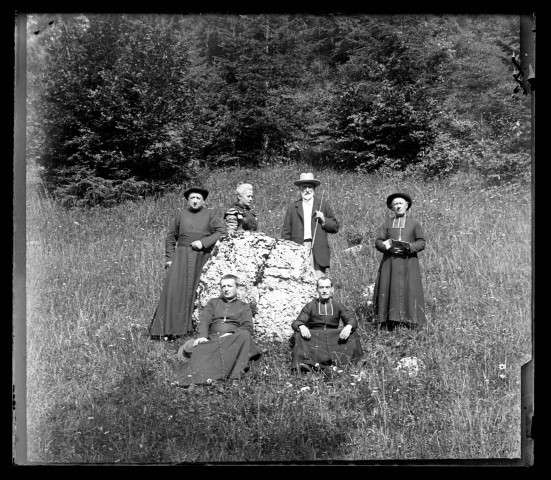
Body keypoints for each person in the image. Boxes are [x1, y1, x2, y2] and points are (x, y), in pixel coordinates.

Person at [149, 186, 226, 340]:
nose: (195, 201)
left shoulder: (210, 215)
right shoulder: (181, 215)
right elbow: (171, 238)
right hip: (181, 258)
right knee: (174, 291)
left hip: (201, 257)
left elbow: (221, 232)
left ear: (203, 201)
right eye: (192, 198)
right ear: (188, 200)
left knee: (195, 292)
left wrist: (204, 242)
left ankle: (190, 329)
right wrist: (169, 259)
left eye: (198, 198)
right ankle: (167, 329)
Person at [172, 274, 262, 386]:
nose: (226, 289)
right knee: (194, 346)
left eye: (229, 286)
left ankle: (235, 377)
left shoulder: (244, 306)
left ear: (236, 287)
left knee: (245, 335)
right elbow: (204, 320)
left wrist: (231, 333)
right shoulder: (213, 303)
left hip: (232, 340)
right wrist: (202, 337)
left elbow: (248, 327)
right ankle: (200, 377)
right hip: (213, 339)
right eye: (223, 286)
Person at [373, 192, 426, 329]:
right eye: (395, 204)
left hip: (409, 262)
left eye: (400, 203)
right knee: (389, 287)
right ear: (391, 207)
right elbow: (378, 241)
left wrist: (409, 247)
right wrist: (388, 247)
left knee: (410, 289)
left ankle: (410, 321)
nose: (398, 206)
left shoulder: (414, 224)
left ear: (407, 205)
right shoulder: (387, 223)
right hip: (390, 262)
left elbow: (421, 242)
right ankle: (389, 321)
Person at [290, 276, 363, 372]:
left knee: (353, 332)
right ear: (317, 289)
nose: (324, 291)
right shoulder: (311, 306)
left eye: (327, 287)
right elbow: (296, 322)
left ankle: (352, 362)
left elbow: (352, 320)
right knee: (298, 334)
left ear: (332, 289)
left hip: (334, 337)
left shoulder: (337, 305)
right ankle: (305, 364)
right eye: (321, 288)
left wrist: (349, 326)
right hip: (315, 338)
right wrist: (301, 326)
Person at [281, 172, 339, 278]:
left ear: (314, 189)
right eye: (304, 187)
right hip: (298, 248)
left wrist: (323, 219)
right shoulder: (293, 207)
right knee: (300, 281)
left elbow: (335, 227)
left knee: (318, 282)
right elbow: (286, 232)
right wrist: (287, 252)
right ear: (299, 189)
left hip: (318, 249)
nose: (307, 190)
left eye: (310, 187)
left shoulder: (323, 204)